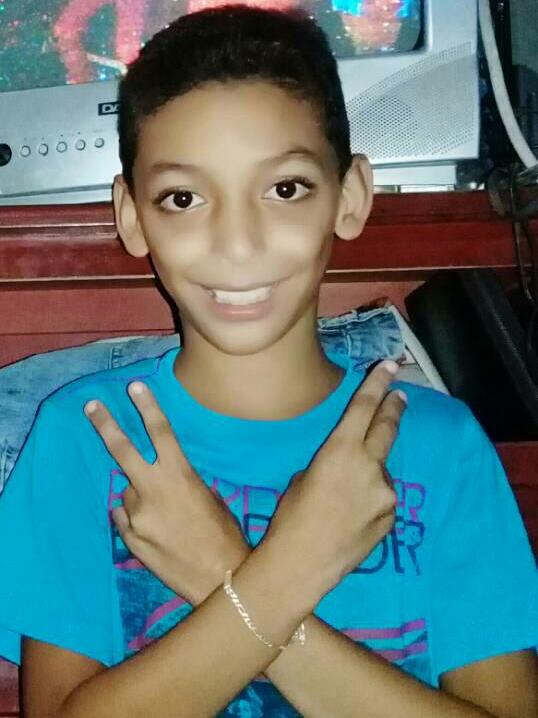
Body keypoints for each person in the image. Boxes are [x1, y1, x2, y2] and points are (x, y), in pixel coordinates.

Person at [0, 5, 536, 717]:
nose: (238, 243)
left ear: (350, 197)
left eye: (285, 189)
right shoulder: (87, 436)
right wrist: (285, 571)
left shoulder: (442, 445)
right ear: (132, 216)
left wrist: (228, 571)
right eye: (183, 198)